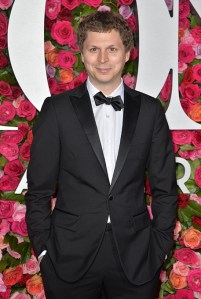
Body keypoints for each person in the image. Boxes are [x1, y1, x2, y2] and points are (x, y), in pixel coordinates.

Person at [25, 10, 177, 299]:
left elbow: (165, 189)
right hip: (67, 258)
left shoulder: (149, 111)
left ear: (127, 53)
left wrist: (159, 247)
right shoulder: (57, 111)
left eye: (112, 49)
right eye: (94, 49)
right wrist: (44, 251)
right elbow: (39, 191)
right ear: (82, 54)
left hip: (136, 257)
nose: (103, 59)